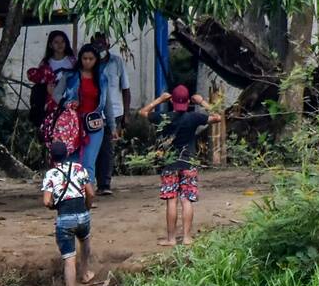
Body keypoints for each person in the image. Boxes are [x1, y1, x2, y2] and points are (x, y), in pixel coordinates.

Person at [138, 86, 222, 247]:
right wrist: (202, 102)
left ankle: (171, 239)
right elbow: (217, 117)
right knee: (186, 200)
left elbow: (143, 112)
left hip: (169, 165)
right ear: (189, 101)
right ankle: (187, 238)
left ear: (172, 101)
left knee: (171, 201)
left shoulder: (164, 117)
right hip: (188, 163)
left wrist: (160, 100)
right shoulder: (194, 117)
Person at [41, 140, 95, 286]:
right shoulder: (79, 168)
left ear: (51, 157)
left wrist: (54, 205)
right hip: (83, 215)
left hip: (65, 218)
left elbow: (46, 201)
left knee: (69, 259)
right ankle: (85, 273)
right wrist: (87, 208)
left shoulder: (51, 174)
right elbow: (91, 193)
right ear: (67, 154)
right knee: (85, 240)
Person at [53, 44, 111, 182]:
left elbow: (107, 104)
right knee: (72, 158)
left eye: (91, 59)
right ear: (80, 59)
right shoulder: (69, 76)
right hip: (73, 123)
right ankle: (72, 189)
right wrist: (65, 103)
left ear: (96, 60)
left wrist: (113, 126)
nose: (87, 62)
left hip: (94, 123)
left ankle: (87, 191)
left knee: (88, 161)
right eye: (85, 58)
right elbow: (56, 94)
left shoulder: (102, 78)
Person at [92, 32, 130, 196]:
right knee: (94, 148)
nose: (100, 47)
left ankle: (104, 184)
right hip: (94, 112)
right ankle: (91, 182)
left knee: (107, 149)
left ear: (108, 45)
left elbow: (125, 89)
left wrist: (126, 114)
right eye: (96, 44)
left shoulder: (117, 62)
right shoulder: (89, 63)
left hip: (114, 112)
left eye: (102, 44)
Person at [26, 30, 75, 126]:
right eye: (56, 42)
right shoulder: (46, 63)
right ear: (50, 45)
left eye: (63, 41)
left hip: (68, 99)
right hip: (51, 102)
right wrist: (47, 88)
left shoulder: (72, 61)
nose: (60, 45)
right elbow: (41, 80)